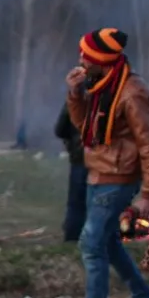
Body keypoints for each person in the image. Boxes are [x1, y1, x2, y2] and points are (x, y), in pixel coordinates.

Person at [64, 28, 149, 298]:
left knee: (91, 243)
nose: (80, 58)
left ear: (101, 60)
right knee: (106, 241)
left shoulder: (132, 94)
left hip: (118, 178)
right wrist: (75, 94)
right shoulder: (103, 86)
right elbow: (84, 128)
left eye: (86, 55)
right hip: (99, 173)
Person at [54, 102, 87, 242]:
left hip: (80, 157)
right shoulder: (115, 94)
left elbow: (60, 130)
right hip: (106, 160)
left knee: (76, 203)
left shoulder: (75, 96)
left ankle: (72, 238)